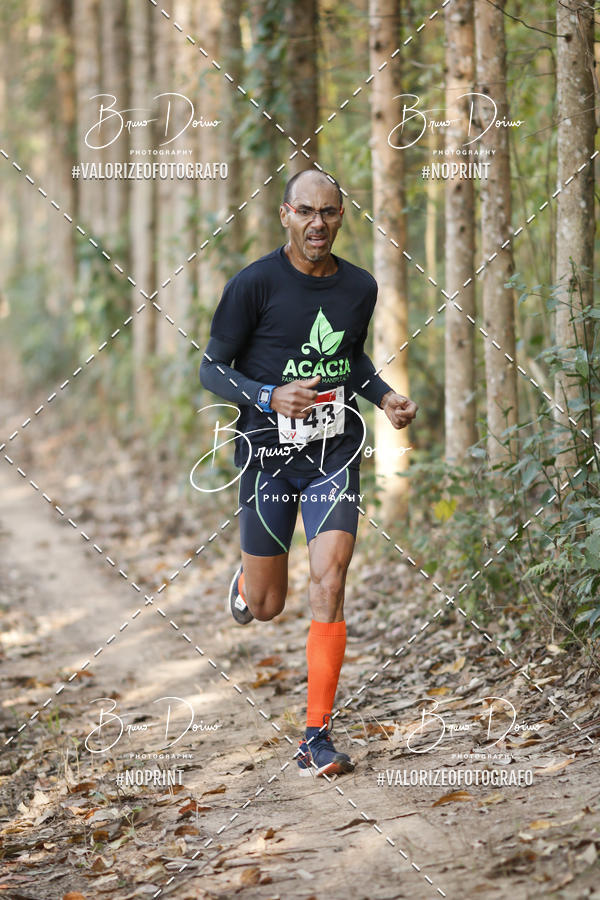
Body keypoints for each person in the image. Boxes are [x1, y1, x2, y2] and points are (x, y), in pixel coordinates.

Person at [199, 169, 417, 777]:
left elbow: (350, 359)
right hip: (267, 455)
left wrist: (384, 397)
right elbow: (212, 370)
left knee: (331, 577)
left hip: (334, 452)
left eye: (329, 213)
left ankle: (315, 736)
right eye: (306, 212)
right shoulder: (254, 285)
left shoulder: (359, 287)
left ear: (341, 217)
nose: (317, 223)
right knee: (269, 605)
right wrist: (268, 397)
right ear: (285, 214)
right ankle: (246, 586)